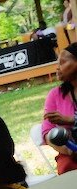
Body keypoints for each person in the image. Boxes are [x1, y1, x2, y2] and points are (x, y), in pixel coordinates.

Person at [43, 43, 77, 174]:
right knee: (66, 167)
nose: (57, 67)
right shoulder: (55, 95)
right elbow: (47, 132)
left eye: (62, 62)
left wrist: (71, 120)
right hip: (70, 155)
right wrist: (70, 150)